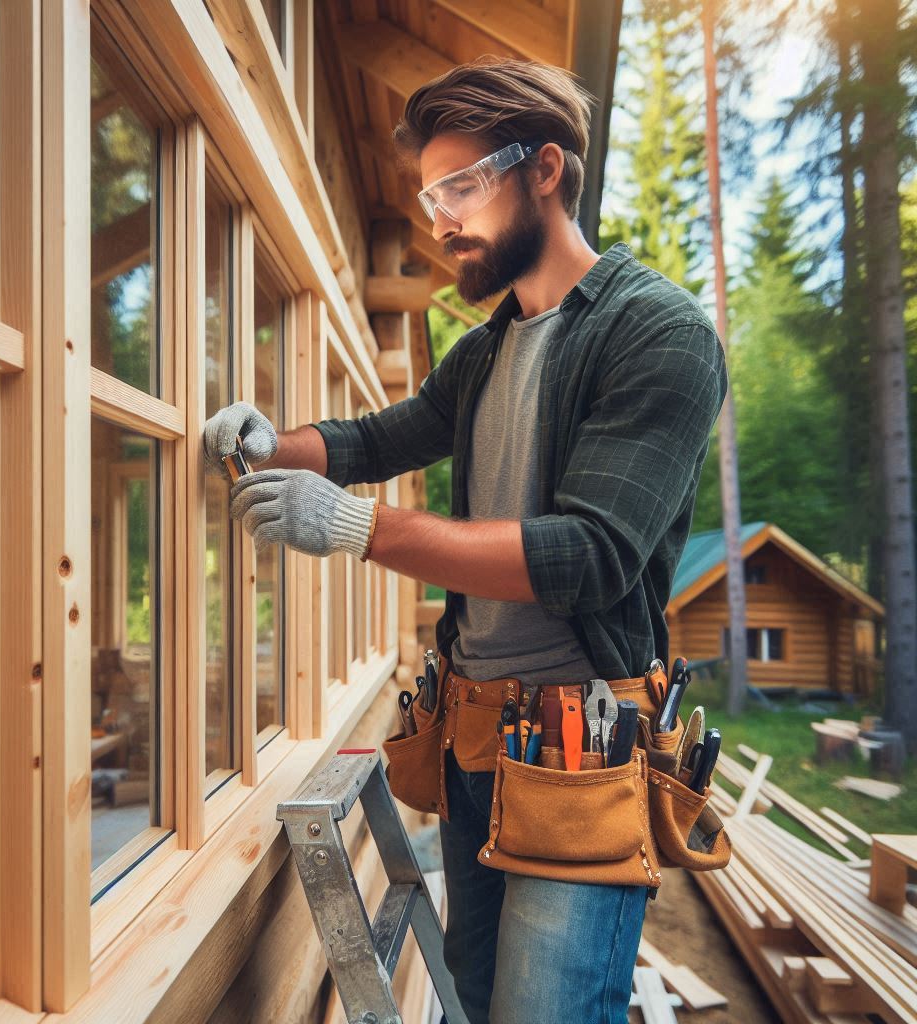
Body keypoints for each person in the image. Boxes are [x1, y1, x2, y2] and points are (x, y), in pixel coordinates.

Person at [203, 56, 727, 1024]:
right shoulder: (486, 347)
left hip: (583, 752)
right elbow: (378, 437)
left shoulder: (657, 332)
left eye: (460, 185)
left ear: (546, 171)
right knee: (485, 1002)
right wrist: (271, 442)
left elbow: (589, 553)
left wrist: (361, 526)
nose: (437, 217)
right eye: (425, 194)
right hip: (474, 737)